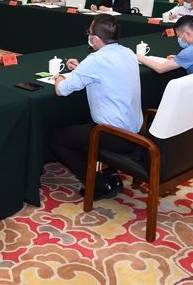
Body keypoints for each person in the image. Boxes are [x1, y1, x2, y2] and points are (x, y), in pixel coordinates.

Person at [50, 15, 142, 195]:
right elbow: (108, 75)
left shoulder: (96, 60)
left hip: (113, 133)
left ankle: (98, 185)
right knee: (82, 130)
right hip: (135, 130)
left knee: (57, 139)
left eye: (89, 33)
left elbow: (61, 90)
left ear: (96, 39)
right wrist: (81, 69)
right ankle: (111, 173)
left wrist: (59, 77)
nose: (89, 36)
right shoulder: (128, 52)